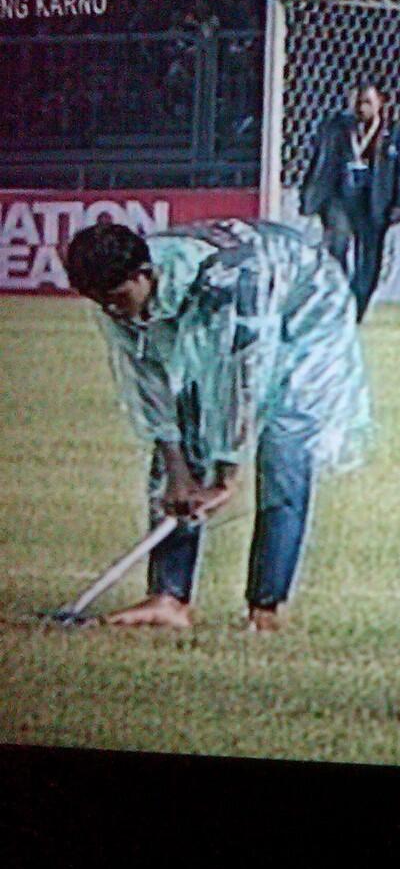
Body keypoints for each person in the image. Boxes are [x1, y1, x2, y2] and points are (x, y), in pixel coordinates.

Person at [64, 219, 373, 632]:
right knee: (186, 433)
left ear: (144, 275)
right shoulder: (118, 296)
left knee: (285, 444)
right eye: (100, 302)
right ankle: (168, 598)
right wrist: (177, 471)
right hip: (231, 312)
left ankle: (266, 607)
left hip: (304, 313)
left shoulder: (232, 285)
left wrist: (227, 476)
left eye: (117, 297)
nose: (113, 310)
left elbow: (242, 377)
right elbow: (151, 383)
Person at [300, 79, 400, 322]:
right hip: (339, 197)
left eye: (367, 103)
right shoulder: (335, 128)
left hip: (375, 201)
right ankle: (338, 300)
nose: (360, 108)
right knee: (337, 246)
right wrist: (310, 196)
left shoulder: (394, 132)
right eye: (356, 103)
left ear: (381, 103)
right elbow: (319, 162)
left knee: (370, 257)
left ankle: (358, 304)